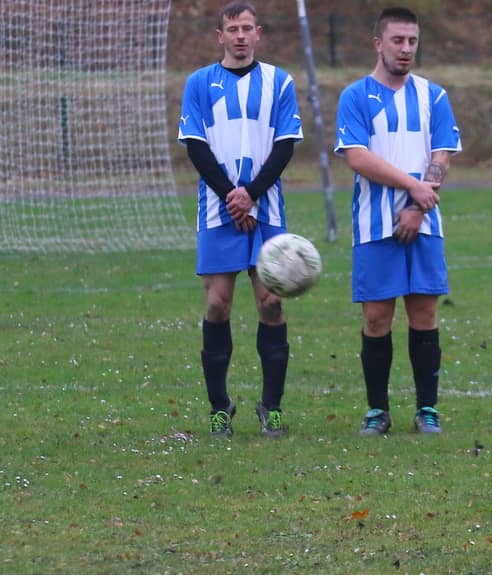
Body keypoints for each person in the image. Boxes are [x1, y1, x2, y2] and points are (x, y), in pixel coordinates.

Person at [177, 1, 303, 437]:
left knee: (270, 303)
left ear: (258, 33)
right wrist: (232, 197)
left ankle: (272, 406)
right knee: (217, 303)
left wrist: (251, 195)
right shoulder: (199, 83)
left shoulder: (279, 82)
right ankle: (219, 407)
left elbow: (285, 145)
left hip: (266, 208)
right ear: (220, 36)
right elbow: (195, 145)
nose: (241, 36)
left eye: (247, 28)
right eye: (232, 29)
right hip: (218, 208)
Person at [334, 6, 462, 436]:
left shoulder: (433, 96)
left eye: (412, 41)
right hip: (374, 223)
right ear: (378, 44)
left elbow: (441, 155)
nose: (406, 49)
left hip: (424, 221)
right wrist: (413, 187)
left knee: (424, 312)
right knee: (376, 316)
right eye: (397, 40)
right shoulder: (355, 96)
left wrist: (418, 205)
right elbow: (357, 157)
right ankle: (377, 410)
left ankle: (427, 409)